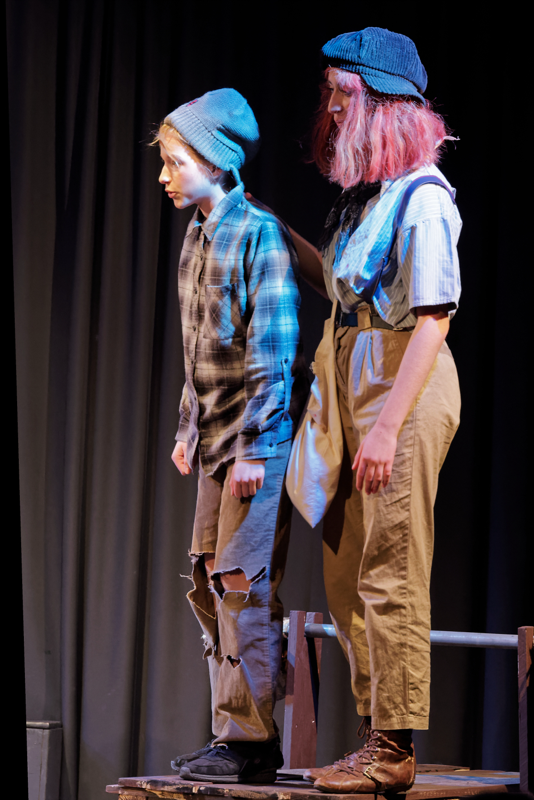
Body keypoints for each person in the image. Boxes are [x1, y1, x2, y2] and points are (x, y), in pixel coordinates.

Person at [287, 27, 462, 794]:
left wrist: (388, 426)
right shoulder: (371, 201)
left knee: (390, 568)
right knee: (347, 572)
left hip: (402, 383)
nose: (329, 110)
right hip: (352, 379)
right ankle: (371, 734)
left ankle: (394, 746)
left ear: (381, 106)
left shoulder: (424, 198)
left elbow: (433, 319)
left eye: (340, 95)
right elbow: (344, 288)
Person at [156, 88, 308, 783]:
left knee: (243, 585)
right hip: (216, 443)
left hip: (256, 446)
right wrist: (188, 429)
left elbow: (271, 354)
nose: (165, 176)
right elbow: (199, 352)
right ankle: (232, 733)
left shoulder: (258, 234)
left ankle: (250, 742)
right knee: (210, 582)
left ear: (215, 162)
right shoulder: (197, 237)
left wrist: (252, 449)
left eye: (176, 162)